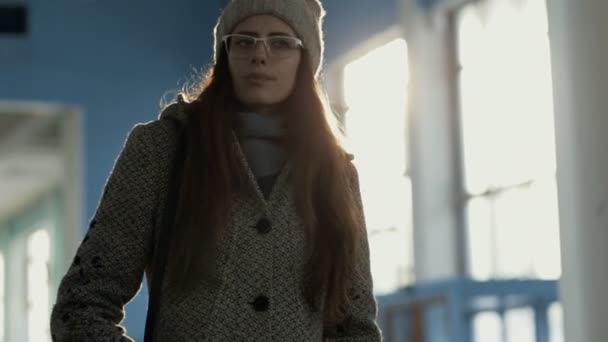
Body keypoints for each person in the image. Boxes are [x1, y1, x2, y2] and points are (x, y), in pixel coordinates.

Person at [50, 0, 382, 340]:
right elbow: (81, 306)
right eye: (244, 41)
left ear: (305, 59)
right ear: (225, 55)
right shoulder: (162, 149)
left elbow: (354, 327)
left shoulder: (336, 173)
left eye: (281, 42)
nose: (260, 55)